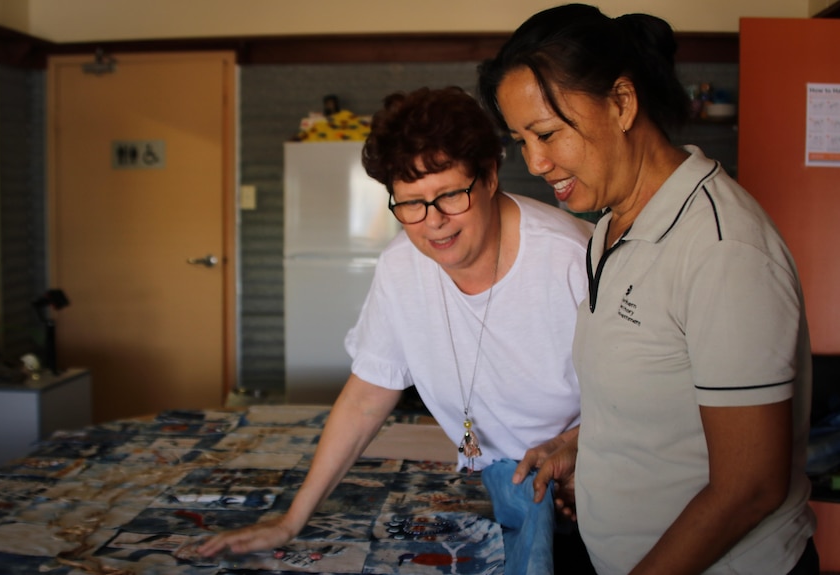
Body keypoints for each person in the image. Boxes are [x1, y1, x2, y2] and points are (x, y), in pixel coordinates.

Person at [477, 4, 818, 574]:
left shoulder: (721, 249)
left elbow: (751, 485)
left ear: (622, 103)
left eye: (547, 133)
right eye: (520, 140)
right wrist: (582, 444)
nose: (535, 162)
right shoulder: (610, 226)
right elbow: (666, 394)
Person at [198, 86, 595, 571]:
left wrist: (580, 448)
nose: (434, 224)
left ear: (490, 176)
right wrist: (291, 520)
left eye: (450, 196)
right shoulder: (401, 267)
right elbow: (367, 397)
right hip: (495, 484)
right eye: (410, 203)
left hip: (587, 480)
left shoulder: (571, 260)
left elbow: (653, 402)